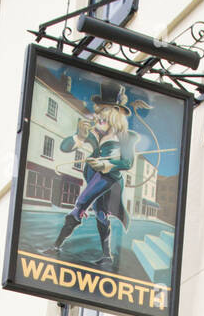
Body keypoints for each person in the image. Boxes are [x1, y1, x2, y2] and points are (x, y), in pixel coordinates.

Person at [44, 81, 139, 270]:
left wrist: (106, 164)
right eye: (98, 117)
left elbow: (127, 163)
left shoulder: (125, 137)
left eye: (103, 117)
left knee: (80, 204)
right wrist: (79, 136)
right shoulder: (93, 133)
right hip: (92, 175)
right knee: (101, 215)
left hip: (109, 178)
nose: (98, 121)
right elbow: (64, 147)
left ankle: (56, 245)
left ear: (113, 117)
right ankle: (106, 256)